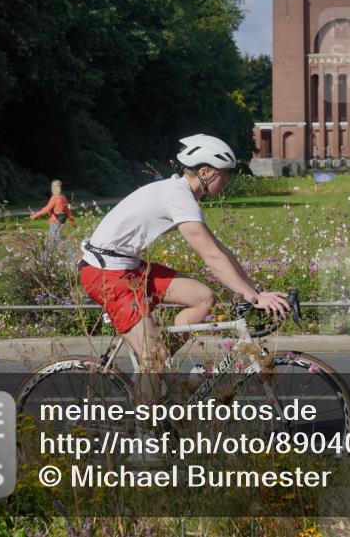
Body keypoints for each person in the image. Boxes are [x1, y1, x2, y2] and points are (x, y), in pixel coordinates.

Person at [77, 134, 290, 413]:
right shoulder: (177, 196)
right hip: (104, 272)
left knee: (203, 298)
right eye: (223, 174)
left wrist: (256, 292)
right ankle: (145, 441)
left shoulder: (181, 194)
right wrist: (253, 297)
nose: (226, 181)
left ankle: (162, 373)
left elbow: (220, 250)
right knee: (153, 358)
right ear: (204, 172)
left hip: (125, 265)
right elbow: (211, 258)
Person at [29, 180, 74, 259]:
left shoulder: (55, 197)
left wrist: (35, 215)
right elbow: (67, 209)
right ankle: (43, 261)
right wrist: (72, 220)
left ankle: (73, 257)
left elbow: (46, 209)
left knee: (57, 242)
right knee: (50, 243)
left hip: (54, 223)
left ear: (53, 188)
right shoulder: (63, 197)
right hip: (60, 222)